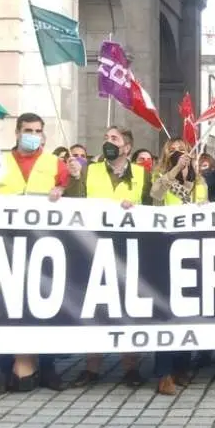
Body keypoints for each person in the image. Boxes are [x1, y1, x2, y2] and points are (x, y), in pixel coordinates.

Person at [0, 113, 75, 396]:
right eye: (28, 130)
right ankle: (4, 371)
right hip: (7, 245)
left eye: (37, 131)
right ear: (17, 132)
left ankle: (48, 368)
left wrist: (65, 187)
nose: (33, 135)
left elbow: (72, 196)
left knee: (45, 305)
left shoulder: (54, 163)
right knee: (5, 306)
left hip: (44, 245)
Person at [65, 126, 149, 388]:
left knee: (127, 308)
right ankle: (92, 367)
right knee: (94, 308)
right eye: (106, 138)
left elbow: (153, 208)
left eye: (114, 139)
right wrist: (75, 179)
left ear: (127, 148)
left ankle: (130, 367)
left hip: (128, 250)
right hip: (93, 248)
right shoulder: (90, 169)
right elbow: (74, 202)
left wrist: (136, 209)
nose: (108, 142)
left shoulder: (142, 174)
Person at [149, 138, 208, 395]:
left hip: (194, 251)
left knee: (188, 311)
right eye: (173, 150)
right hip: (166, 250)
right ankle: (163, 373)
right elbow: (156, 195)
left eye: (183, 150)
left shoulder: (199, 181)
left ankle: (182, 366)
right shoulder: (161, 176)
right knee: (166, 313)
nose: (179, 154)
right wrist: (174, 171)